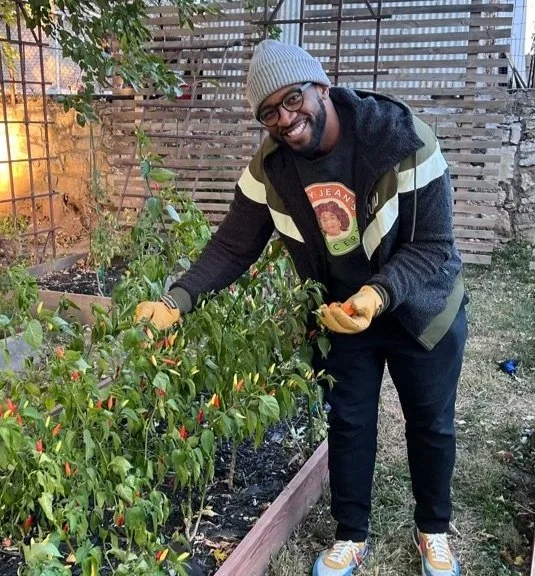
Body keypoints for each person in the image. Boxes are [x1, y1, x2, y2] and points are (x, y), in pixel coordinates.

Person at [133, 39, 467, 576]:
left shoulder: (401, 139)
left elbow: (433, 246)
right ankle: (351, 536)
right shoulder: (271, 169)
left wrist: (378, 294)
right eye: (269, 113)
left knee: (429, 422)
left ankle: (433, 530)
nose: (285, 119)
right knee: (349, 422)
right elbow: (232, 245)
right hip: (342, 313)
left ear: (322, 87)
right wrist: (178, 299)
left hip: (419, 310)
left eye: (292, 100)